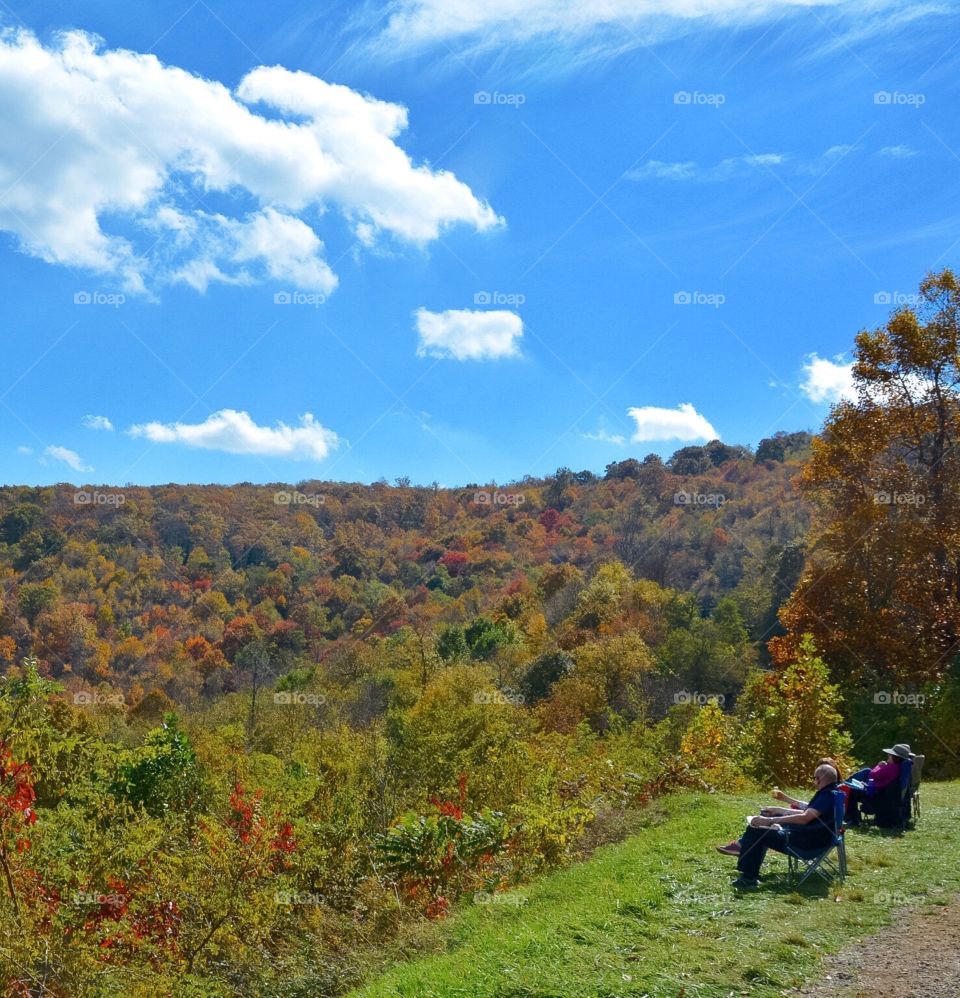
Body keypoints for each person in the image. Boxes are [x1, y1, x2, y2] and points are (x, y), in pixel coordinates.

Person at [715, 763, 840, 890]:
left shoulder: (826, 795)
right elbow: (808, 813)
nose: (814, 781)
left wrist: (772, 821)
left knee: (756, 830)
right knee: (763, 824)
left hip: (806, 844)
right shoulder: (833, 793)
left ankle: (748, 878)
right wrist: (778, 811)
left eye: (814, 778)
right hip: (813, 840)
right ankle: (747, 863)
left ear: (819, 779)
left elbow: (804, 818)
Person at [844, 744, 914, 826]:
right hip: (882, 794)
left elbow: (872, 774)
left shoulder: (892, 768)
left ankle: (852, 819)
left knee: (853, 791)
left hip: (878, 797)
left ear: (897, 758)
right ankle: (852, 817)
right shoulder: (899, 768)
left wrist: (879, 765)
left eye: (890, 756)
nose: (888, 757)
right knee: (864, 774)